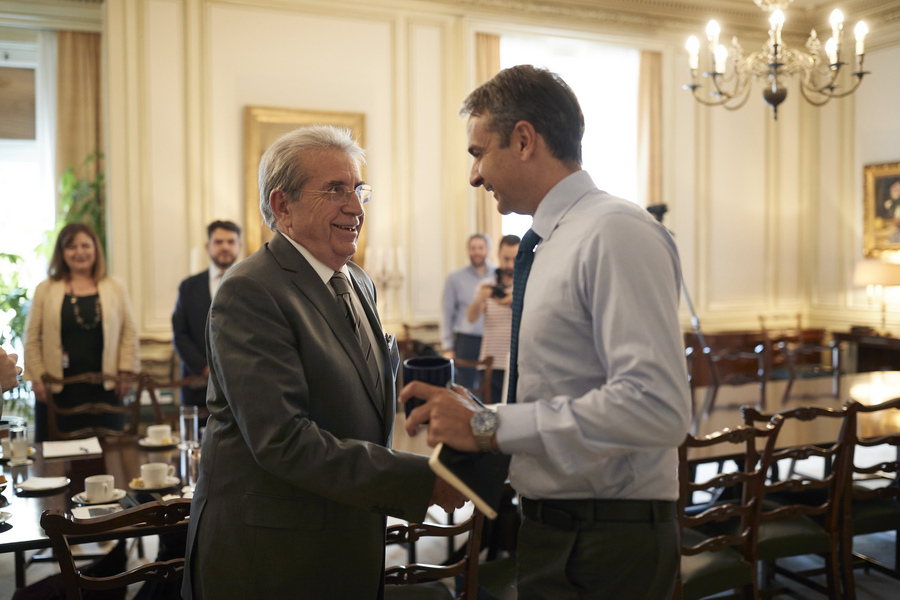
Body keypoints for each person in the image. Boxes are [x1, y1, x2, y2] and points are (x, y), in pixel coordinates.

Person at [402, 65, 692, 599]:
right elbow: (564, 386)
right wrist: (480, 412)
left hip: (605, 539)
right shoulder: (549, 242)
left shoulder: (616, 231)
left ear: (523, 140)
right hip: (553, 528)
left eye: (478, 153)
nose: (474, 176)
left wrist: (489, 425)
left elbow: (658, 407)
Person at [182, 125, 464, 600]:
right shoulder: (250, 291)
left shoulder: (359, 281)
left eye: (358, 190)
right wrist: (419, 482)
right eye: (335, 190)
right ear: (282, 206)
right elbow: (283, 441)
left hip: (349, 541)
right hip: (273, 560)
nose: (356, 207)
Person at [24, 223, 140, 442]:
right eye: (71, 246)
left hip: (107, 387)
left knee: (108, 454)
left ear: (96, 249)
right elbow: (31, 337)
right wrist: (38, 378)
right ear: (61, 252)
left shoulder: (115, 286)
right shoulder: (45, 289)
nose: (79, 252)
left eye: (86, 245)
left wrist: (125, 372)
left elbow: (129, 332)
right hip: (58, 389)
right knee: (57, 455)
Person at [171, 220, 242, 406]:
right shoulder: (189, 287)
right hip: (198, 385)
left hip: (241, 385)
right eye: (218, 242)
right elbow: (179, 333)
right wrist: (204, 368)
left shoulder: (253, 284)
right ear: (207, 246)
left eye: (231, 241)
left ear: (239, 246)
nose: (225, 247)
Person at [466, 234, 519, 404]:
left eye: (514, 259)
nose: (510, 265)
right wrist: (480, 298)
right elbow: (471, 318)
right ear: (498, 255)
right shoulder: (486, 284)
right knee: (490, 410)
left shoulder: (526, 287)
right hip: (491, 362)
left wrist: (515, 301)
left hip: (517, 362)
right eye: (506, 259)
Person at [441, 233, 494, 389]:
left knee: (490, 389)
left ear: (488, 250)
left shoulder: (498, 276)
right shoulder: (455, 278)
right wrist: (447, 347)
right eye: (473, 248)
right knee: (465, 389)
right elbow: (447, 313)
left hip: (492, 340)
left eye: (480, 248)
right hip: (466, 341)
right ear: (468, 250)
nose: (476, 252)